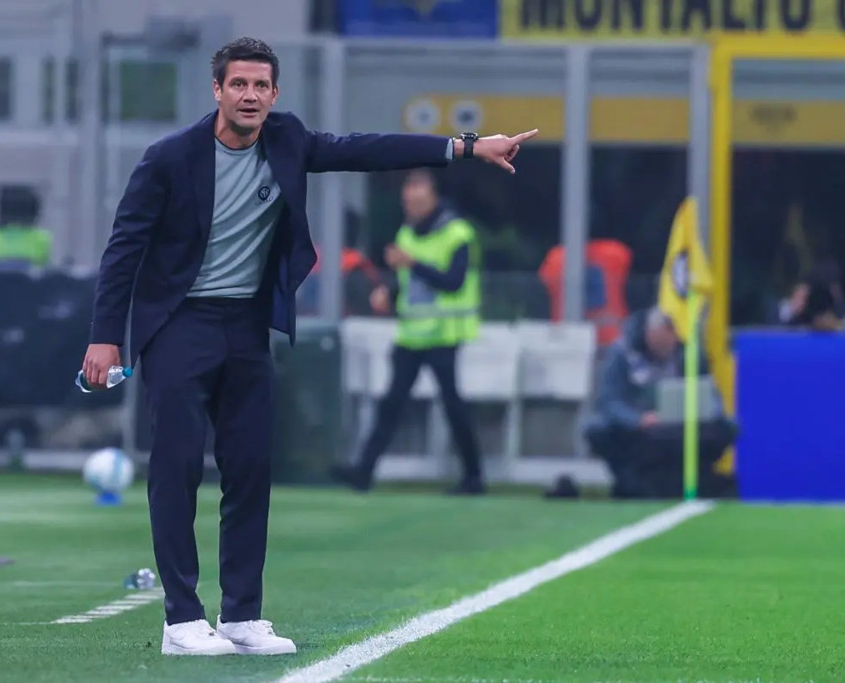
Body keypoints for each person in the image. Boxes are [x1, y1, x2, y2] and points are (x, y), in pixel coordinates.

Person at [80, 36, 537, 657]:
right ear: (217, 90)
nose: (249, 96)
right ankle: (181, 621)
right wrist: (104, 337)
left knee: (250, 469)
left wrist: (467, 147)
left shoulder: (288, 139)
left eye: (260, 86)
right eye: (238, 84)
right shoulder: (169, 159)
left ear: (274, 93)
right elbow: (124, 249)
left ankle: (241, 616)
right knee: (177, 467)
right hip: (180, 324)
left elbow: (365, 149)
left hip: (247, 326)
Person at [333, 169, 485, 495]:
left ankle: (474, 476)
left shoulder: (458, 234)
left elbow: (453, 282)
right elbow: (407, 282)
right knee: (391, 403)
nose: (411, 206)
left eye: (417, 199)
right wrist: (388, 292)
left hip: (445, 334)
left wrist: (411, 263)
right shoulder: (407, 234)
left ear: (434, 197)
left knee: (453, 406)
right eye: (407, 201)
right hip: (412, 335)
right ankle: (363, 471)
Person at [583, 307, 737, 499]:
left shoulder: (687, 355)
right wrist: (637, 419)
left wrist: (704, 414)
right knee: (600, 430)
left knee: (726, 428)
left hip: (680, 425)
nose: (663, 349)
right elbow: (608, 401)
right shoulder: (622, 355)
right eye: (657, 343)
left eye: (666, 343)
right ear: (647, 335)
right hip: (637, 426)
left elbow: (710, 396)